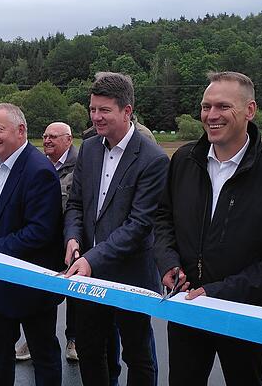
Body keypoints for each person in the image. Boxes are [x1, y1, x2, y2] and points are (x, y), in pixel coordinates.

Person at [154, 71, 262, 386]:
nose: (211, 115)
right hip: (187, 305)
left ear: (250, 110)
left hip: (245, 313)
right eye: (206, 106)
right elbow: (163, 218)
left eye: (223, 106)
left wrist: (217, 291)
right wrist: (167, 261)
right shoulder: (184, 160)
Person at [63, 72, 168, 386]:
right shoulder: (90, 148)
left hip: (130, 275)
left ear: (127, 111)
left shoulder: (153, 159)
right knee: (90, 348)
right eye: (92, 109)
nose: (95, 117)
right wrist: (72, 238)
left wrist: (91, 259)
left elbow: (139, 225)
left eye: (104, 110)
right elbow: (77, 204)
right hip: (88, 274)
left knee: (137, 354)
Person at [0, 103, 64, 386]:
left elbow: (40, 231)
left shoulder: (39, 171)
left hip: (31, 285)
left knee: (43, 353)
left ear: (21, 130)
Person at [43, 121, 79, 362]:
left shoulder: (81, 165)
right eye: (45, 136)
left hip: (72, 239)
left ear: (68, 139)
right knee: (44, 294)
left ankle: (73, 339)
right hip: (45, 241)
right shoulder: (40, 164)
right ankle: (39, 338)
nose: (47, 140)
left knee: (75, 295)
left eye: (53, 137)